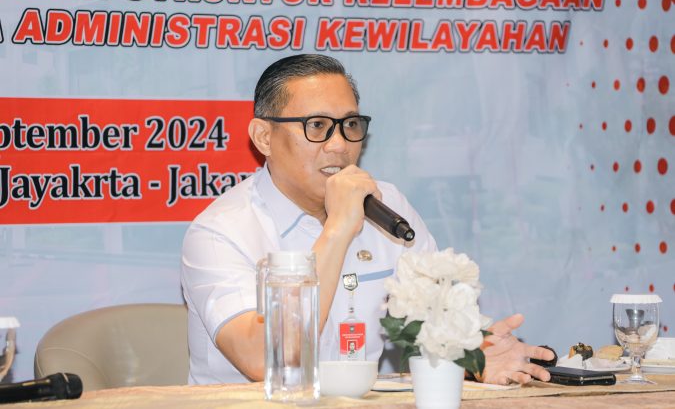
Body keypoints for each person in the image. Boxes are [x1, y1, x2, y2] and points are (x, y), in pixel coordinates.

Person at [181, 54, 553, 385]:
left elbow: (438, 323)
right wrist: (338, 229)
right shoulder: (220, 233)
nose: (340, 145)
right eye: (317, 126)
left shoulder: (388, 206)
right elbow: (265, 360)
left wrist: (471, 354)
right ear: (264, 137)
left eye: (350, 125)